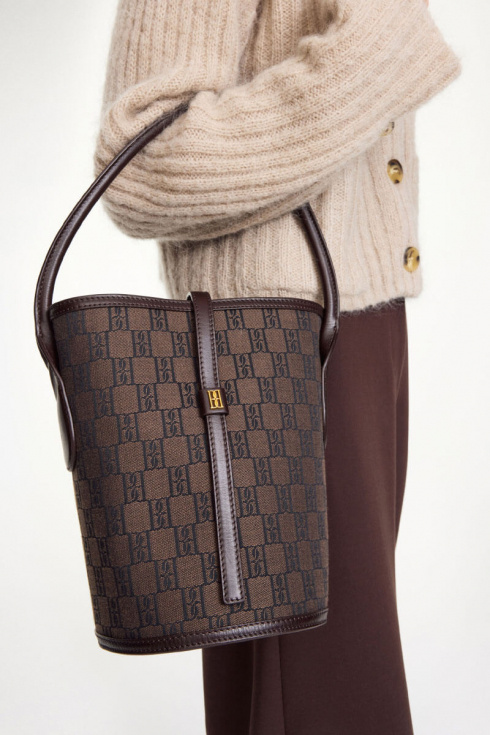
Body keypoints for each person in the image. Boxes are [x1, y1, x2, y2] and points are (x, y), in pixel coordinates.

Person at [93, 1, 461, 733]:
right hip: (265, 349)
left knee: (326, 679)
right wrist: (377, 54)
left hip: (365, 324)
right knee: (326, 696)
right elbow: (139, 162)